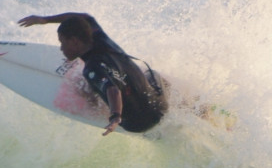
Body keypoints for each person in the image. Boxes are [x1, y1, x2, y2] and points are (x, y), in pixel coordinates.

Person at [17, 13, 168, 135]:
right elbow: (85, 17)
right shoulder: (100, 37)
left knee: (81, 85)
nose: (61, 48)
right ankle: (184, 105)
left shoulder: (92, 68)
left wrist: (115, 117)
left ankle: (96, 106)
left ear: (74, 41)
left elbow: (112, 90)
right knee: (152, 74)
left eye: (63, 42)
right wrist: (45, 20)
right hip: (160, 106)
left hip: (137, 125)